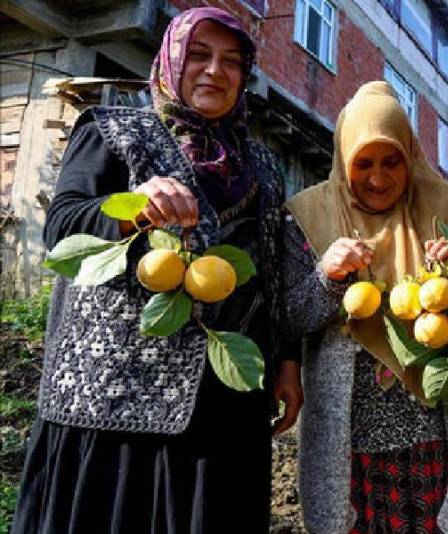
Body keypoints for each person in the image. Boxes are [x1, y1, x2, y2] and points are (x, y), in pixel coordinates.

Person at [13, 7, 301, 533]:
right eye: (198, 55)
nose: (215, 71)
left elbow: (273, 269)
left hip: (226, 399)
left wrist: (286, 360)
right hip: (115, 395)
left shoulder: (261, 165)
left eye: (232, 62)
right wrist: (133, 208)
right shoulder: (112, 130)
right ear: (170, 60)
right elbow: (63, 228)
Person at [282, 81, 448, 534]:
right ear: (343, 159)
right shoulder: (307, 215)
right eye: (364, 163)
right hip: (348, 442)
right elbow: (289, 319)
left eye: (392, 161)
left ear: (410, 156)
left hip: (434, 433)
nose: (378, 178)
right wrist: (326, 276)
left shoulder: (442, 207)